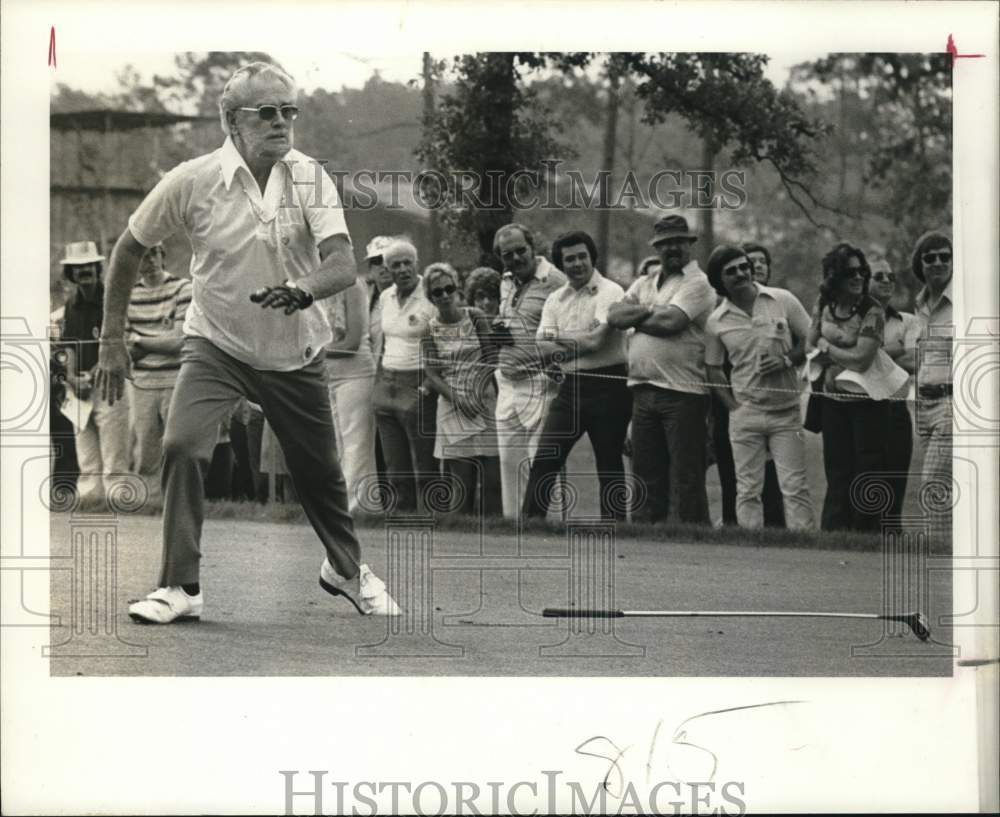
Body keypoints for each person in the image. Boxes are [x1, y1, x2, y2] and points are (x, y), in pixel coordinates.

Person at [94, 62, 399, 623]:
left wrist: (303, 290)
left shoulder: (309, 176)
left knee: (321, 475)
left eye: (290, 111)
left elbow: (341, 264)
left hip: (296, 348)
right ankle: (180, 587)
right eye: (268, 113)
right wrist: (111, 338)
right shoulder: (191, 179)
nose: (283, 122)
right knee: (182, 445)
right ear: (233, 122)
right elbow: (128, 250)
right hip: (216, 344)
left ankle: (346, 571)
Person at [607, 215, 715, 524]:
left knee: (685, 474)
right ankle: (647, 538)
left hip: (683, 393)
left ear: (689, 244)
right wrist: (650, 310)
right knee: (645, 471)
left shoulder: (697, 283)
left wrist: (637, 315)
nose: (673, 248)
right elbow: (614, 316)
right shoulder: (644, 281)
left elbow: (672, 323)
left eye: (679, 242)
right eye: (666, 243)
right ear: (657, 248)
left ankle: (691, 537)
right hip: (642, 390)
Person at [522, 230, 632, 521]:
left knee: (609, 463)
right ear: (561, 264)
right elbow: (542, 348)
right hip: (570, 388)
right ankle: (530, 524)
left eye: (582, 256)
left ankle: (615, 529)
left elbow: (598, 342)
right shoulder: (555, 300)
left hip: (609, 384)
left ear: (592, 257)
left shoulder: (611, 292)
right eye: (569, 259)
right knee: (546, 457)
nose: (577, 264)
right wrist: (573, 342)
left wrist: (560, 339)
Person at [704, 245, 814, 531]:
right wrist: (732, 406)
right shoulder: (717, 321)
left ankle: (805, 548)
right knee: (748, 488)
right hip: (745, 413)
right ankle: (750, 553)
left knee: (794, 486)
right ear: (720, 280)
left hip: (786, 411)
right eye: (731, 271)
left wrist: (787, 360)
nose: (741, 273)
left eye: (744, 267)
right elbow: (713, 368)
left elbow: (812, 339)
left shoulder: (782, 300)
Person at [807, 242, 888, 531]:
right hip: (833, 403)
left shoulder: (872, 310)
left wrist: (827, 349)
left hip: (867, 403)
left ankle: (865, 536)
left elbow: (861, 359)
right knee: (837, 470)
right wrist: (826, 351)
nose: (859, 278)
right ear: (834, 277)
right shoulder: (822, 305)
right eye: (850, 272)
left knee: (866, 470)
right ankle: (833, 534)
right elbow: (808, 342)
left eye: (862, 272)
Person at [492, 223, 568, 518]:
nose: (515, 259)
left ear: (532, 247)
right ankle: (514, 529)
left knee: (543, 463)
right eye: (507, 255)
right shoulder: (507, 280)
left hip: (541, 382)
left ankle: (550, 530)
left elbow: (568, 328)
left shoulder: (555, 280)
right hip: (508, 381)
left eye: (520, 251)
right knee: (510, 464)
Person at [421, 262, 502, 516]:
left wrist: (477, 393)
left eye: (449, 288)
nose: (445, 295)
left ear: (457, 289)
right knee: (461, 483)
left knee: (492, 480)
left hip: (484, 400)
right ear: (430, 297)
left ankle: (495, 540)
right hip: (452, 403)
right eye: (437, 292)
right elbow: (432, 374)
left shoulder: (475, 317)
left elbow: (491, 359)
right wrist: (459, 400)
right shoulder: (429, 328)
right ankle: (461, 542)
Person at [59, 240, 131, 506]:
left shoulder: (110, 298)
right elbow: (68, 346)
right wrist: (72, 378)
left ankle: (118, 502)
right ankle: (90, 501)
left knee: (114, 452)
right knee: (86, 451)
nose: (85, 271)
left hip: (108, 382)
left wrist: (93, 373)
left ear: (98, 267)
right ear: (71, 273)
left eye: (89, 265)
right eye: (78, 267)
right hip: (78, 389)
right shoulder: (71, 303)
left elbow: (121, 339)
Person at [372, 238, 438, 513]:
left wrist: (427, 384)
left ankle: (433, 516)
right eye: (395, 265)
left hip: (417, 381)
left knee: (424, 459)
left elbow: (440, 341)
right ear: (388, 269)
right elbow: (383, 341)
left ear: (416, 264)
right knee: (394, 459)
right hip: (387, 380)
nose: (402, 269)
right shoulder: (386, 297)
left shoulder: (429, 295)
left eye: (407, 263)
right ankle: (402, 514)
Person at [125, 243, 192, 490]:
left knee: (178, 444)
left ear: (163, 255)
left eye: (154, 253)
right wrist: (156, 343)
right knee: (145, 447)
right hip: (142, 383)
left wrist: (141, 340)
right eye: (143, 255)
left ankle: (179, 497)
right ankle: (149, 502)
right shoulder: (129, 296)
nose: (149, 260)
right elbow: (125, 350)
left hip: (175, 380)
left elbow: (178, 342)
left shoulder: (183, 288)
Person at [870, 257, 921, 518]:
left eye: (890, 276)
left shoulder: (908, 321)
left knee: (895, 482)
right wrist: (894, 348)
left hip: (895, 410)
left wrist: (869, 352)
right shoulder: (853, 321)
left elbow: (914, 360)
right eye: (879, 277)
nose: (887, 281)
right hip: (864, 410)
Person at [911, 230, 953, 536]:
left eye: (945, 257)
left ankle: (937, 548)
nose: (938, 262)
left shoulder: (965, 302)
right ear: (920, 264)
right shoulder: (921, 305)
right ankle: (949, 550)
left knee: (933, 482)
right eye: (930, 258)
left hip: (953, 403)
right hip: (924, 405)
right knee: (945, 487)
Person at [322, 275, 377, 513]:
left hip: (356, 374)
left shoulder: (353, 284)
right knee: (337, 445)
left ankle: (356, 509)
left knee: (356, 444)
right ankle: (350, 506)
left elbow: (352, 343)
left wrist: (313, 353)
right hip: (328, 376)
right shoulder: (319, 285)